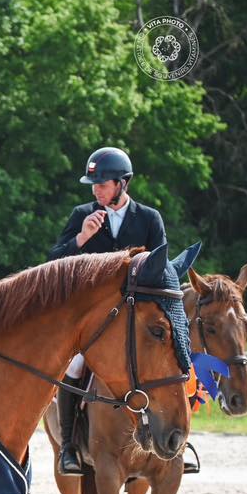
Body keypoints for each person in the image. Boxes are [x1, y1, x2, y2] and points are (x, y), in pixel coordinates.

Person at [48, 147, 169, 475]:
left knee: (170, 356)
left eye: (102, 184)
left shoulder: (148, 219)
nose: (95, 189)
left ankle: (177, 439)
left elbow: (162, 270)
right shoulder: (82, 215)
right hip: (94, 319)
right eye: (94, 184)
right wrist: (82, 237)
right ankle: (70, 446)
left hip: (136, 315)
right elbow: (53, 263)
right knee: (74, 365)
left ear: (123, 184)